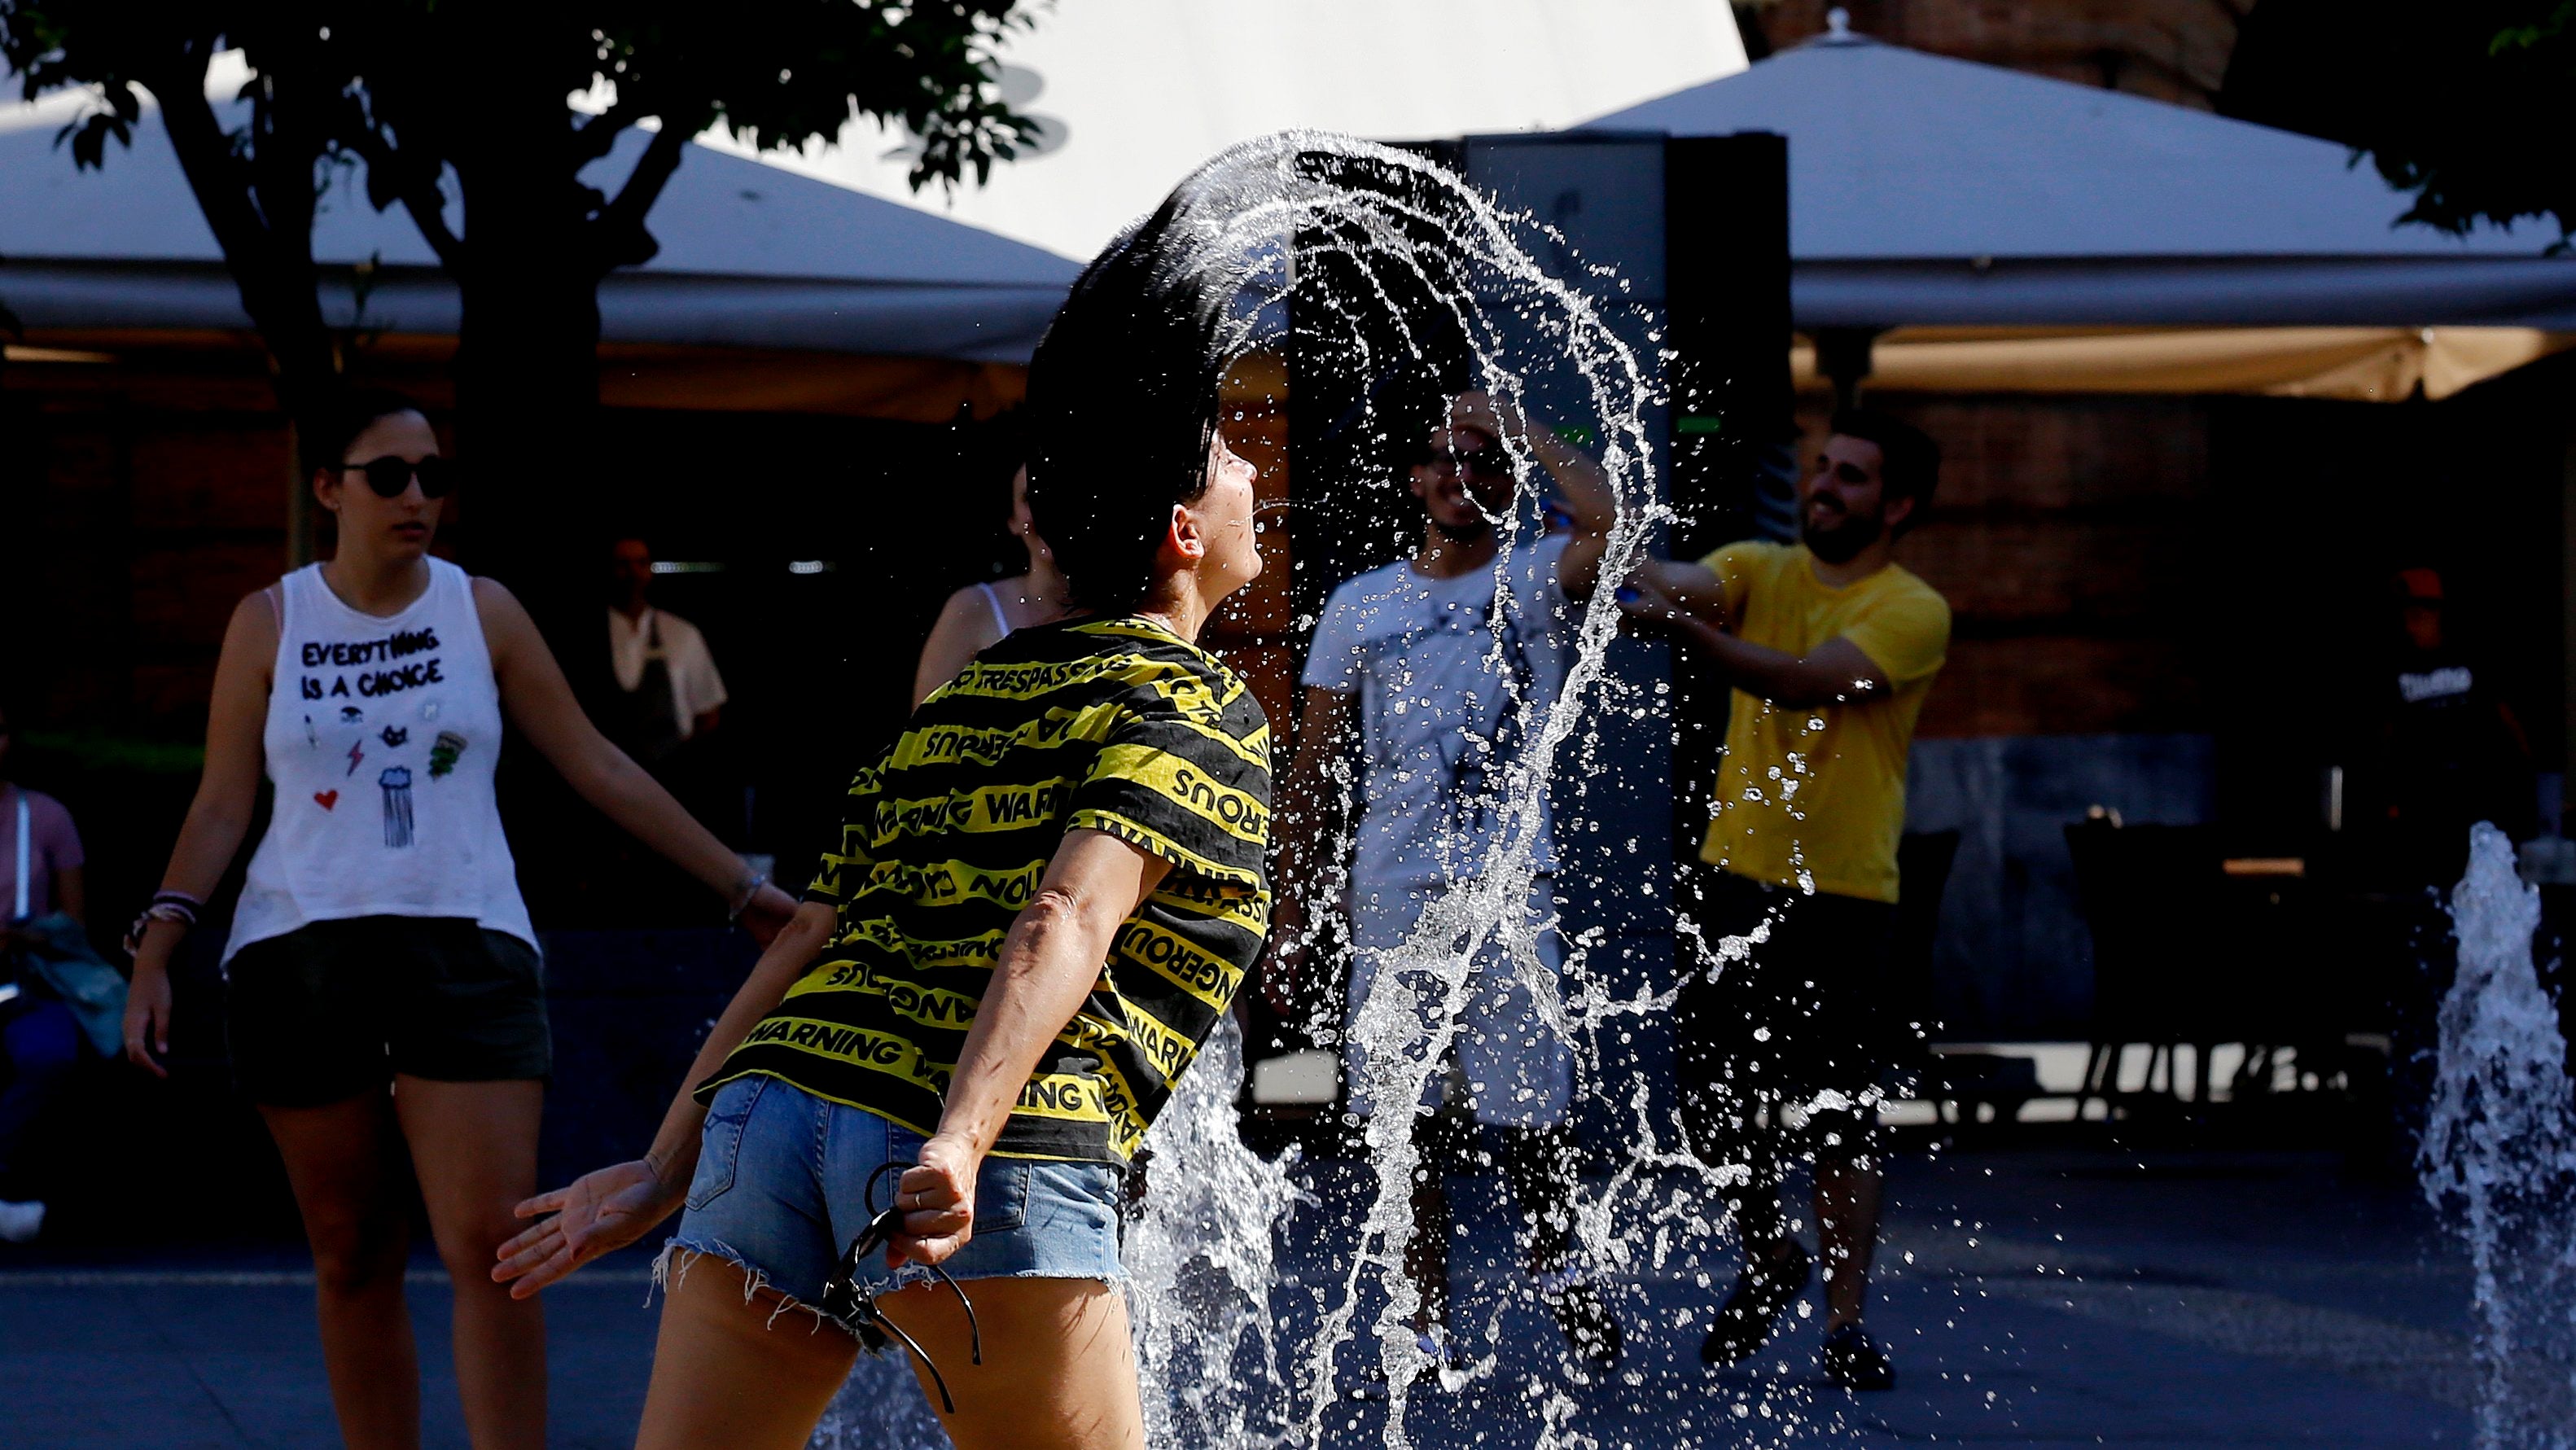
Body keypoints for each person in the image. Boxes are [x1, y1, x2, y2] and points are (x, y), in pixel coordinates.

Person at [491, 174, 1274, 1450]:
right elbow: (1062, 918)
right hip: (987, 1146)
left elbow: (811, 939)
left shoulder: (966, 701)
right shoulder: (1189, 703)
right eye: (1233, 461)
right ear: (1184, 534)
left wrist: (658, 1168)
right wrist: (962, 1140)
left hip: (775, 1116)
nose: (1255, 471)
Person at [121, 387, 798, 1450]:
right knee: (351, 1251)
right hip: (299, 954)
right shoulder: (270, 619)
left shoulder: (479, 609)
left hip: (466, 943)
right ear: (328, 488)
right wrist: (156, 947)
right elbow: (220, 801)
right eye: (388, 475)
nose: (416, 496)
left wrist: (743, 889)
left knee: (495, 1247)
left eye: (433, 475)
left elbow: (597, 762)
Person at [1265, 390, 1623, 1379]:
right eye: (1440, 458)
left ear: (1506, 480)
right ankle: (1421, 1312)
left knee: (1530, 1111)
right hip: (1394, 887)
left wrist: (1521, 425)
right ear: (1412, 480)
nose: (1460, 474)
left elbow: (1609, 518)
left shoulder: (1534, 576)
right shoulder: (1360, 602)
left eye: (1482, 462)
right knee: (1401, 1111)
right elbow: (1313, 768)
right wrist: (1295, 902)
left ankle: (1561, 1276)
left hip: (1511, 890)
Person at [1619, 408, 1950, 1392]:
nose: (1823, 487)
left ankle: (1844, 1323)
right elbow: (1673, 580)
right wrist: (1626, 562)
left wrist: (1680, 629)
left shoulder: (1913, 607)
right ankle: (1767, 1250)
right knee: (1707, 1107)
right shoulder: (1759, 570)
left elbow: (1808, 682)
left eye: (1849, 477)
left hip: (1843, 896)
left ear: (1894, 506)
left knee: (1835, 1112)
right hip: (1735, 877)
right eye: (1820, 469)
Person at [0, 700, 87, 1244]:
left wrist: (21, 936)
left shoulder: (46, 816)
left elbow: (74, 923)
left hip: (23, 977)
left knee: (50, 1054)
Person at [910, 465, 1071, 707]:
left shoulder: (1130, 612)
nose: (1044, 510)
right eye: (1030, 498)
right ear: (1012, 521)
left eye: (1057, 494)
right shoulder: (973, 608)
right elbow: (922, 733)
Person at [604, 537, 729, 769]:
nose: (633, 573)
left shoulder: (682, 633)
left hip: (672, 771)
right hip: (605, 772)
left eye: (641, 563)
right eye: (623, 564)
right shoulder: (586, 638)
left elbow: (708, 714)